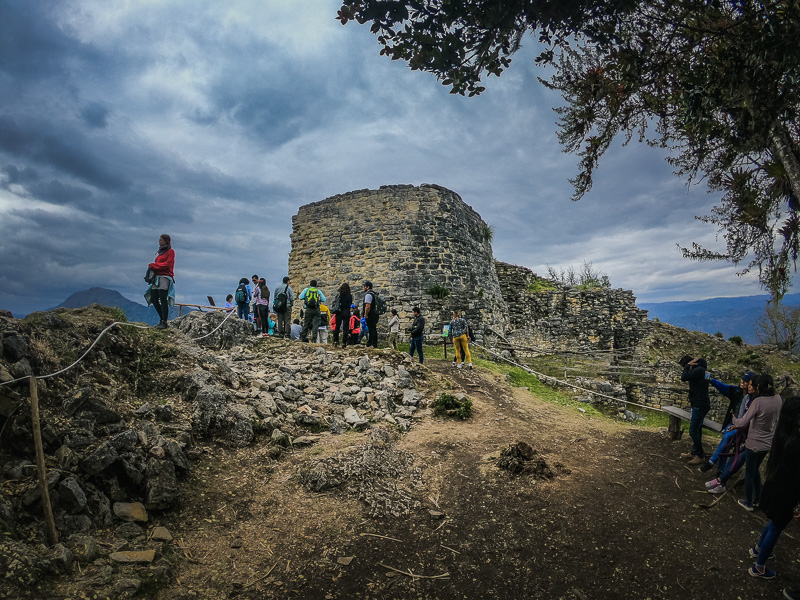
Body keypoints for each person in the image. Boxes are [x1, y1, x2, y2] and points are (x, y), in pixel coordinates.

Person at [706, 374, 782, 511]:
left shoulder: (758, 402)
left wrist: (734, 419)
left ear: (759, 386)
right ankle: (758, 498)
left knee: (749, 472)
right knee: (755, 471)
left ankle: (748, 502)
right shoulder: (778, 399)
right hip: (767, 443)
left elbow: (743, 421)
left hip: (754, 443)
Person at [745, 396, 800, 579]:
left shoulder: (783, 434)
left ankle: (759, 549)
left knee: (773, 523)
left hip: (773, 486)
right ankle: (759, 567)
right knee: (776, 528)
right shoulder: (796, 442)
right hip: (785, 494)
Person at [699, 372, 757, 474]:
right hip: (733, 422)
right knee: (727, 440)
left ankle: (712, 462)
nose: (742, 382)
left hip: (745, 426)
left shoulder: (754, 399)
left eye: (746, 381)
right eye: (742, 379)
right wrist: (712, 380)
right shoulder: (736, 391)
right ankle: (721, 470)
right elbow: (723, 387)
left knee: (727, 438)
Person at [679, 356, 710, 465]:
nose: (685, 368)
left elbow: (683, 377)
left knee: (693, 431)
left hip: (699, 404)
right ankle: (695, 452)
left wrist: (688, 366)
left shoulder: (699, 371)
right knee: (698, 429)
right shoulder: (704, 370)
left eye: (685, 365)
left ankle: (700, 455)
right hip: (700, 403)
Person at [144, 233, 175, 330]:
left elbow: (167, 264)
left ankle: (164, 322)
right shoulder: (160, 253)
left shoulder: (170, 252)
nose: (159, 241)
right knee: (154, 298)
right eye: (159, 240)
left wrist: (153, 266)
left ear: (166, 241)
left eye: (161, 240)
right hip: (157, 278)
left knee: (163, 299)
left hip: (165, 277)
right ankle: (161, 319)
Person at [332, 283, 353, 347]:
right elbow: (350, 304)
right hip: (346, 311)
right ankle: (344, 342)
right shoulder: (350, 296)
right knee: (345, 328)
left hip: (339, 311)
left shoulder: (339, 295)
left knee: (337, 327)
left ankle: (336, 341)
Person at [362, 281, 379, 348]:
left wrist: (366, 314)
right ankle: (370, 342)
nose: (363, 288)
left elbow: (368, 305)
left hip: (370, 315)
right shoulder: (374, 294)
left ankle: (373, 344)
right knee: (372, 329)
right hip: (374, 314)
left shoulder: (368, 295)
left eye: (364, 286)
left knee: (372, 329)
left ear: (368, 287)